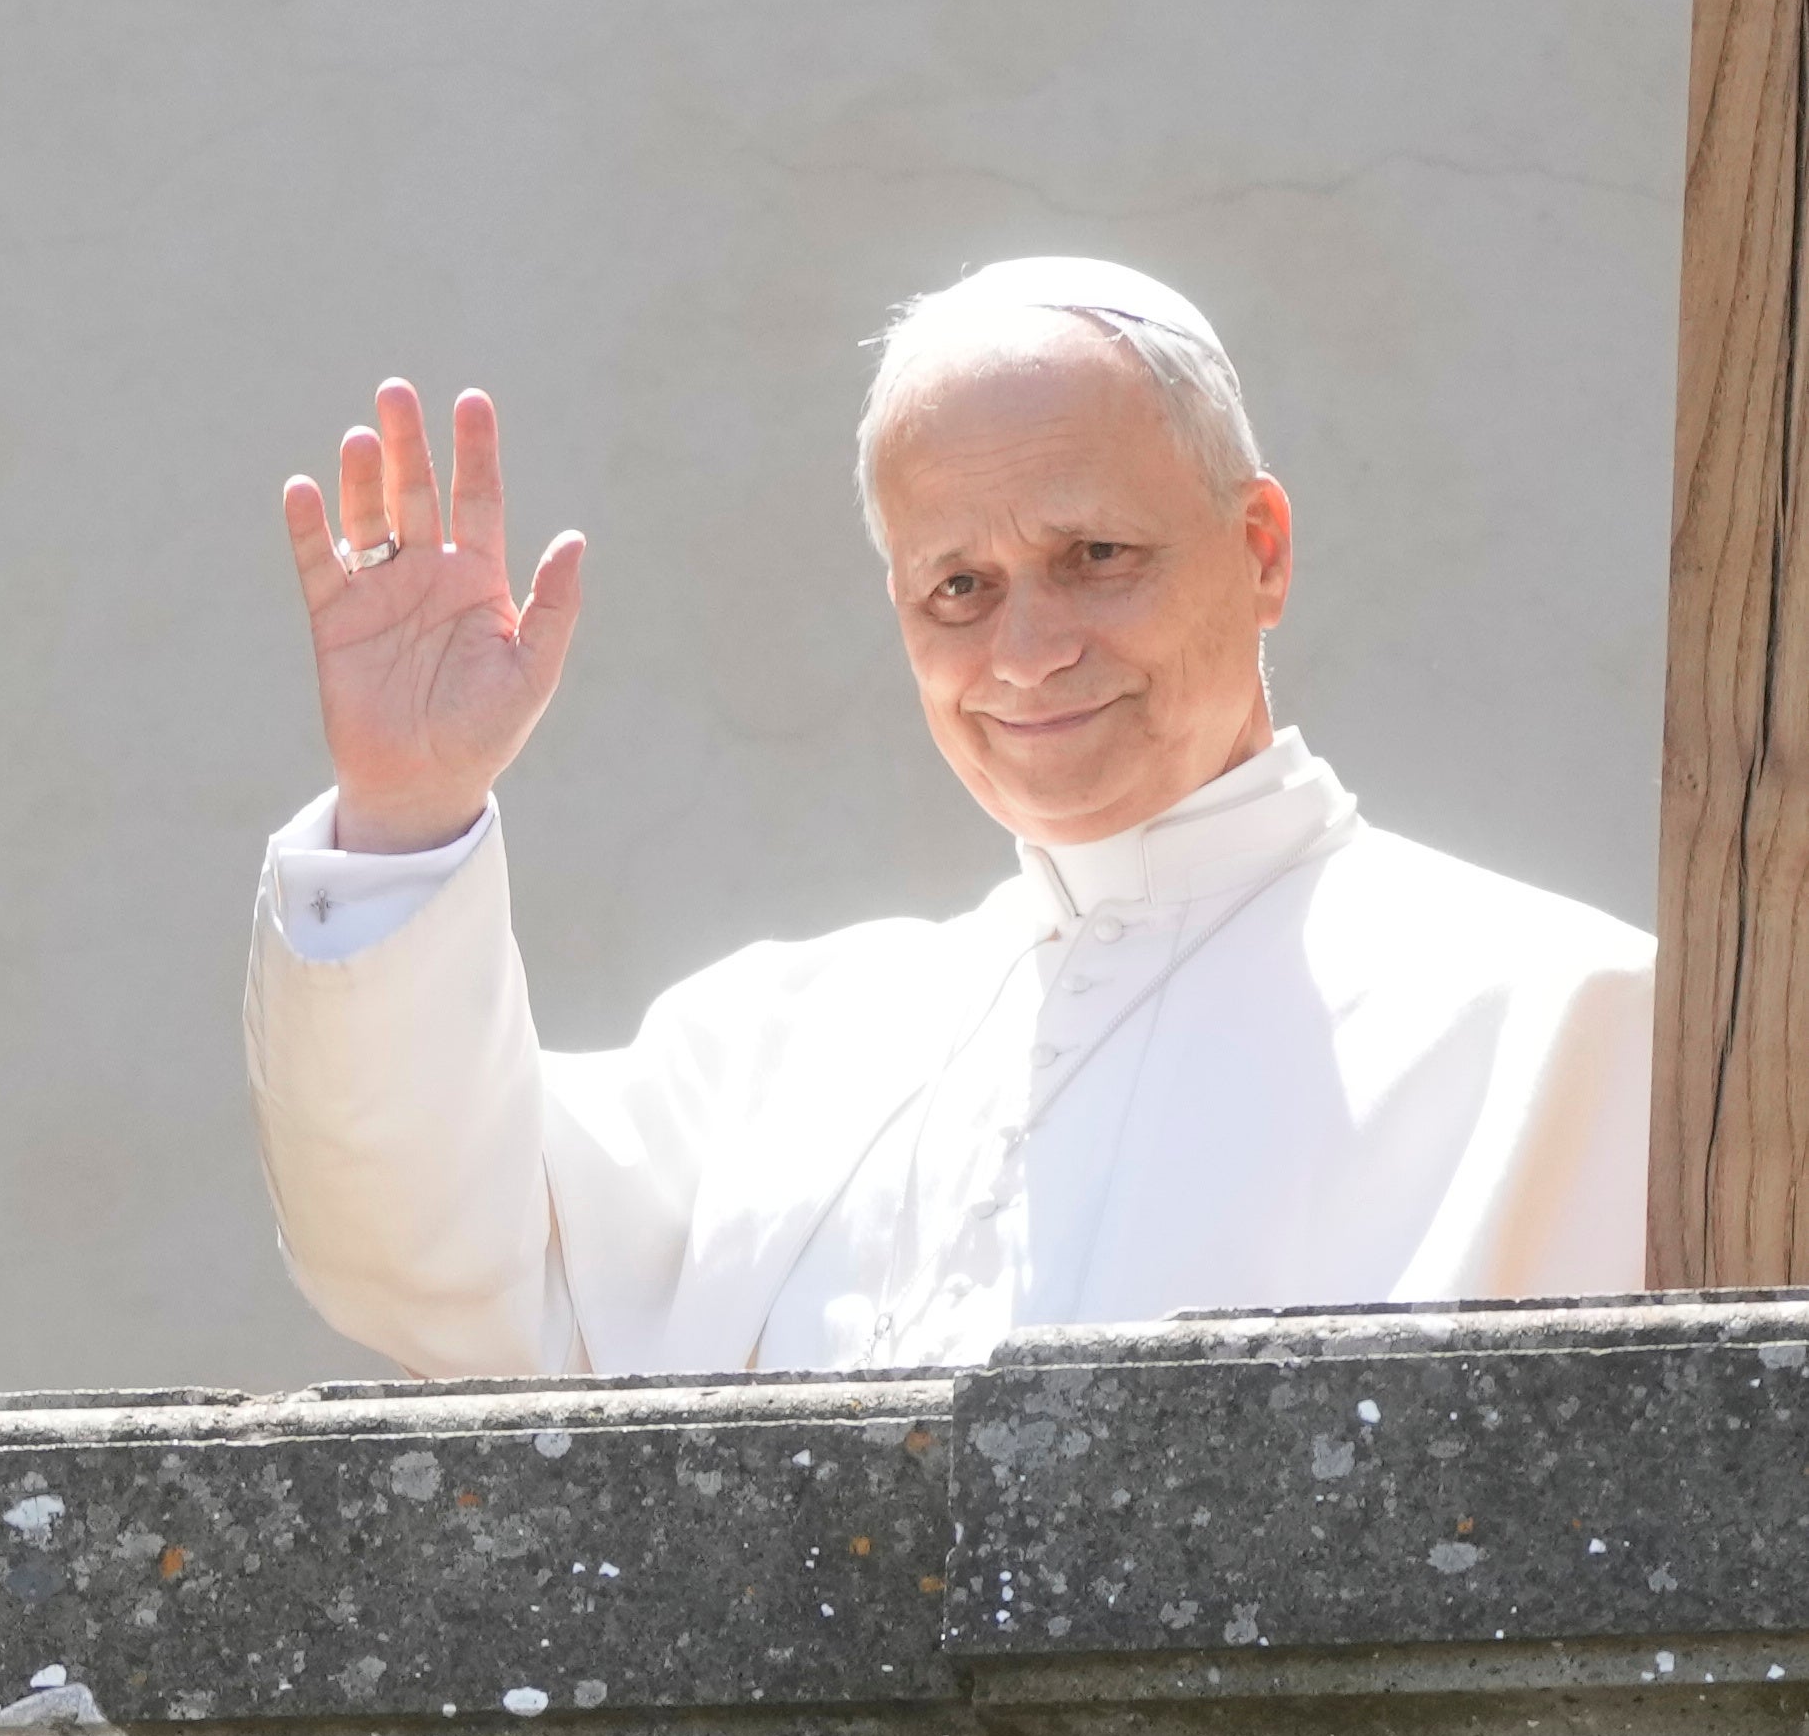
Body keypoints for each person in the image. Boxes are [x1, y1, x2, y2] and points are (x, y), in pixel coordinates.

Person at [245, 259, 1645, 1378]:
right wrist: (406, 805)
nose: (1026, 650)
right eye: (956, 590)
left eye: (1093, 556)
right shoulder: (788, 1049)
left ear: (1258, 549)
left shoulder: (1556, 1017)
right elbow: (431, 1261)